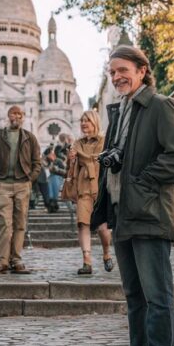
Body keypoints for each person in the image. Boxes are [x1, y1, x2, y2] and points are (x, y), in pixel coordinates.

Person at [93, 45, 174, 346]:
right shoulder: (120, 112)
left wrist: (144, 181)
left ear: (141, 70)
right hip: (123, 213)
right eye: (112, 72)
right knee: (134, 293)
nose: (117, 77)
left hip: (149, 212)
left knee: (156, 292)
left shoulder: (161, 106)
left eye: (123, 70)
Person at [0, 106, 41, 274]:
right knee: (4, 223)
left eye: (19, 114)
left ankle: (16, 258)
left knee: (20, 223)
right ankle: (2, 260)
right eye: (13, 113)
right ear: (7, 116)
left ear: (23, 117)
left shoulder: (30, 138)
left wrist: (30, 179)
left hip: (23, 184)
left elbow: (37, 162)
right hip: (3, 184)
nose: (15, 116)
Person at [68, 110, 113, 275]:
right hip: (83, 188)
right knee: (83, 224)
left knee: (102, 228)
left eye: (87, 120)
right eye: (82, 120)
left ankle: (106, 252)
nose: (84, 123)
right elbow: (73, 170)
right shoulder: (77, 145)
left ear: (95, 122)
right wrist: (72, 161)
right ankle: (87, 261)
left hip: (100, 188)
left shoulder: (104, 142)